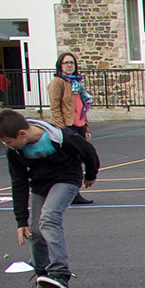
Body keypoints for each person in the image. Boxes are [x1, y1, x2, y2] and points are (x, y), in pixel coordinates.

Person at [0, 107, 99, 288]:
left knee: (49, 218)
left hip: (66, 179)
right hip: (40, 185)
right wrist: (21, 220)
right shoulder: (14, 153)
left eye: (8, 141)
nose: (7, 146)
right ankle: (43, 275)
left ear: (22, 133)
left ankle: (60, 274)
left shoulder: (61, 137)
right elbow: (19, 183)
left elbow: (88, 152)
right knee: (35, 231)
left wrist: (90, 174)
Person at [49, 53, 98, 203]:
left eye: (71, 62)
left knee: (78, 160)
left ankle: (74, 193)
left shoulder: (76, 83)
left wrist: (86, 127)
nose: (69, 65)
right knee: (68, 161)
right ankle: (68, 194)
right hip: (67, 127)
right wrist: (62, 129)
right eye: (66, 63)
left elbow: (82, 107)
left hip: (79, 125)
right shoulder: (58, 82)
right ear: (60, 65)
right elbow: (55, 107)